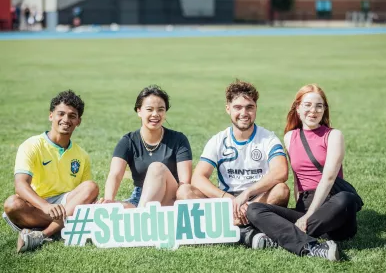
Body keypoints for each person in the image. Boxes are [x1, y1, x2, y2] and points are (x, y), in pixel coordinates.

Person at [247, 84, 361, 261]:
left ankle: (283, 237)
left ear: (324, 110)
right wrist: (303, 211)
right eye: (307, 105)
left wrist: (308, 216)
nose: (313, 110)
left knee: (346, 199)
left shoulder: (333, 135)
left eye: (319, 106)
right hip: (306, 205)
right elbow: (297, 178)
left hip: (332, 205)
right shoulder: (290, 137)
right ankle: (311, 244)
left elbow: (329, 178)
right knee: (254, 209)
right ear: (298, 108)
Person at [178, 80, 290, 248]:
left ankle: (230, 226)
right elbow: (198, 178)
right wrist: (228, 199)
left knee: (281, 190)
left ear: (256, 109)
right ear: (228, 108)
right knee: (184, 191)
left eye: (249, 107)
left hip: (258, 200)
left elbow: (281, 172)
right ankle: (245, 227)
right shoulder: (218, 140)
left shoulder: (268, 138)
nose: (244, 113)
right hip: (226, 202)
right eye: (238, 107)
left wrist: (247, 195)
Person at [2, 90, 99, 253]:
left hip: (66, 203)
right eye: (61, 114)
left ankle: (42, 234)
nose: (66, 120)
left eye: (72, 116)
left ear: (78, 121)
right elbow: (20, 185)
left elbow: (87, 195)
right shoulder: (32, 145)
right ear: (51, 116)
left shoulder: (82, 155)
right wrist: (46, 206)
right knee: (12, 204)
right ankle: (62, 227)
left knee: (91, 186)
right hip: (37, 205)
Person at [97, 85, 193, 208]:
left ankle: (141, 216)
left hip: (170, 197)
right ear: (139, 111)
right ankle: (142, 214)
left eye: (160, 109)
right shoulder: (128, 141)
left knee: (157, 168)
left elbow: (184, 183)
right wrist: (108, 201)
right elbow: (115, 175)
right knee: (115, 207)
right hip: (139, 198)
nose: (155, 114)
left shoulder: (179, 140)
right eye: (149, 109)